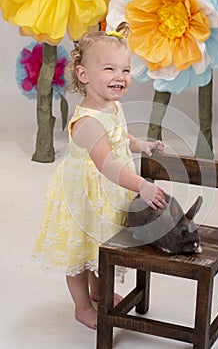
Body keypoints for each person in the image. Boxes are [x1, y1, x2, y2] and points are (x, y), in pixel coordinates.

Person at [32, 22, 166, 330]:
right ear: (84, 75)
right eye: (109, 69)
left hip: (107, 193)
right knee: (79, 248)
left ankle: (97, 290)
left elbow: (120, 135)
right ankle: (82, 306)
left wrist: (140, 144)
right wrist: (142, 185)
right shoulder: (87, 123)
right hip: (86, 196)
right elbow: (107, 164)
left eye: (126, 70)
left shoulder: (111, 106)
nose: (120, 77)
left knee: (98, 245)